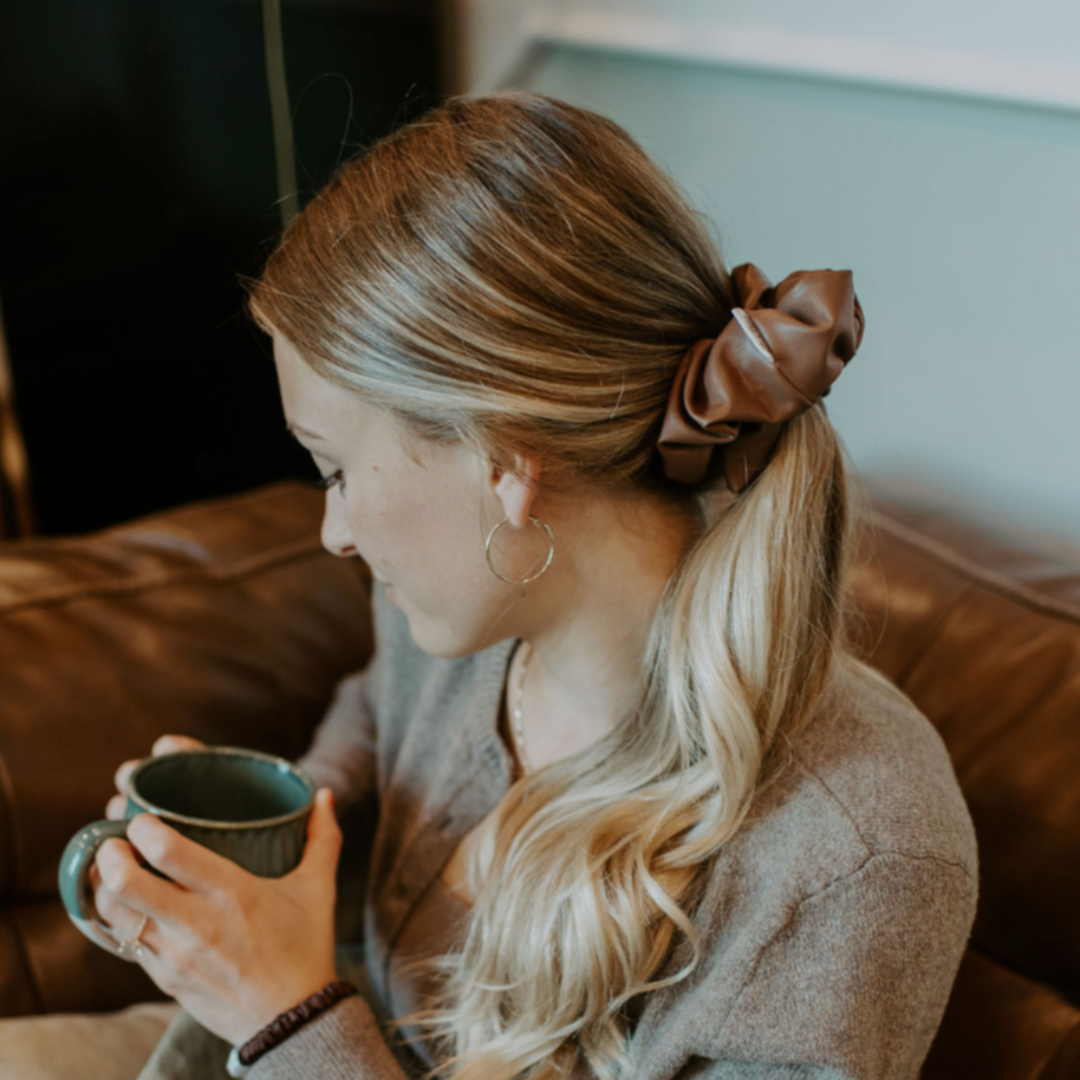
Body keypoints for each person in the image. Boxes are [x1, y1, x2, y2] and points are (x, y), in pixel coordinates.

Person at [85, 91, 977, 1080]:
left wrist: (286, 1015)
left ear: (505, 461)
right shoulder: (453, 626)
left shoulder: (851, 855)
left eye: (336, 469)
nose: (333, 532)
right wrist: (271, 844)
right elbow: (374, 717)